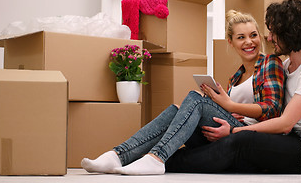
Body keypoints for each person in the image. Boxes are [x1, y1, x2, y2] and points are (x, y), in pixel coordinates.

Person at [165, 0, 301, 175]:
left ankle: (169, 163)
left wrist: (233, 130)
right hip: (297, 136)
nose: (269, 37)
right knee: (231, 141)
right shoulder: (288, 65)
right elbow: (277, 109)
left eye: (274, 32)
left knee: (243, 141)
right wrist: (241, 116)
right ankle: (158, 157)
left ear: (289, 34)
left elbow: (285, 123)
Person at [81, 10, 285, 175]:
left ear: (260, 37)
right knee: (175, 110)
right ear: (230, 42)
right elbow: (242, 111)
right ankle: (118, 155)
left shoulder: (270, 63)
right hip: (228, 129)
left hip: (249, 138)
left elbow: (273, 109)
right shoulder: (235, 77)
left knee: (196, 99)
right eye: (241, 37)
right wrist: (231, 111)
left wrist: (230, 106)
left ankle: (157, 158)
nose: (249, 42)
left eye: (253, 35)